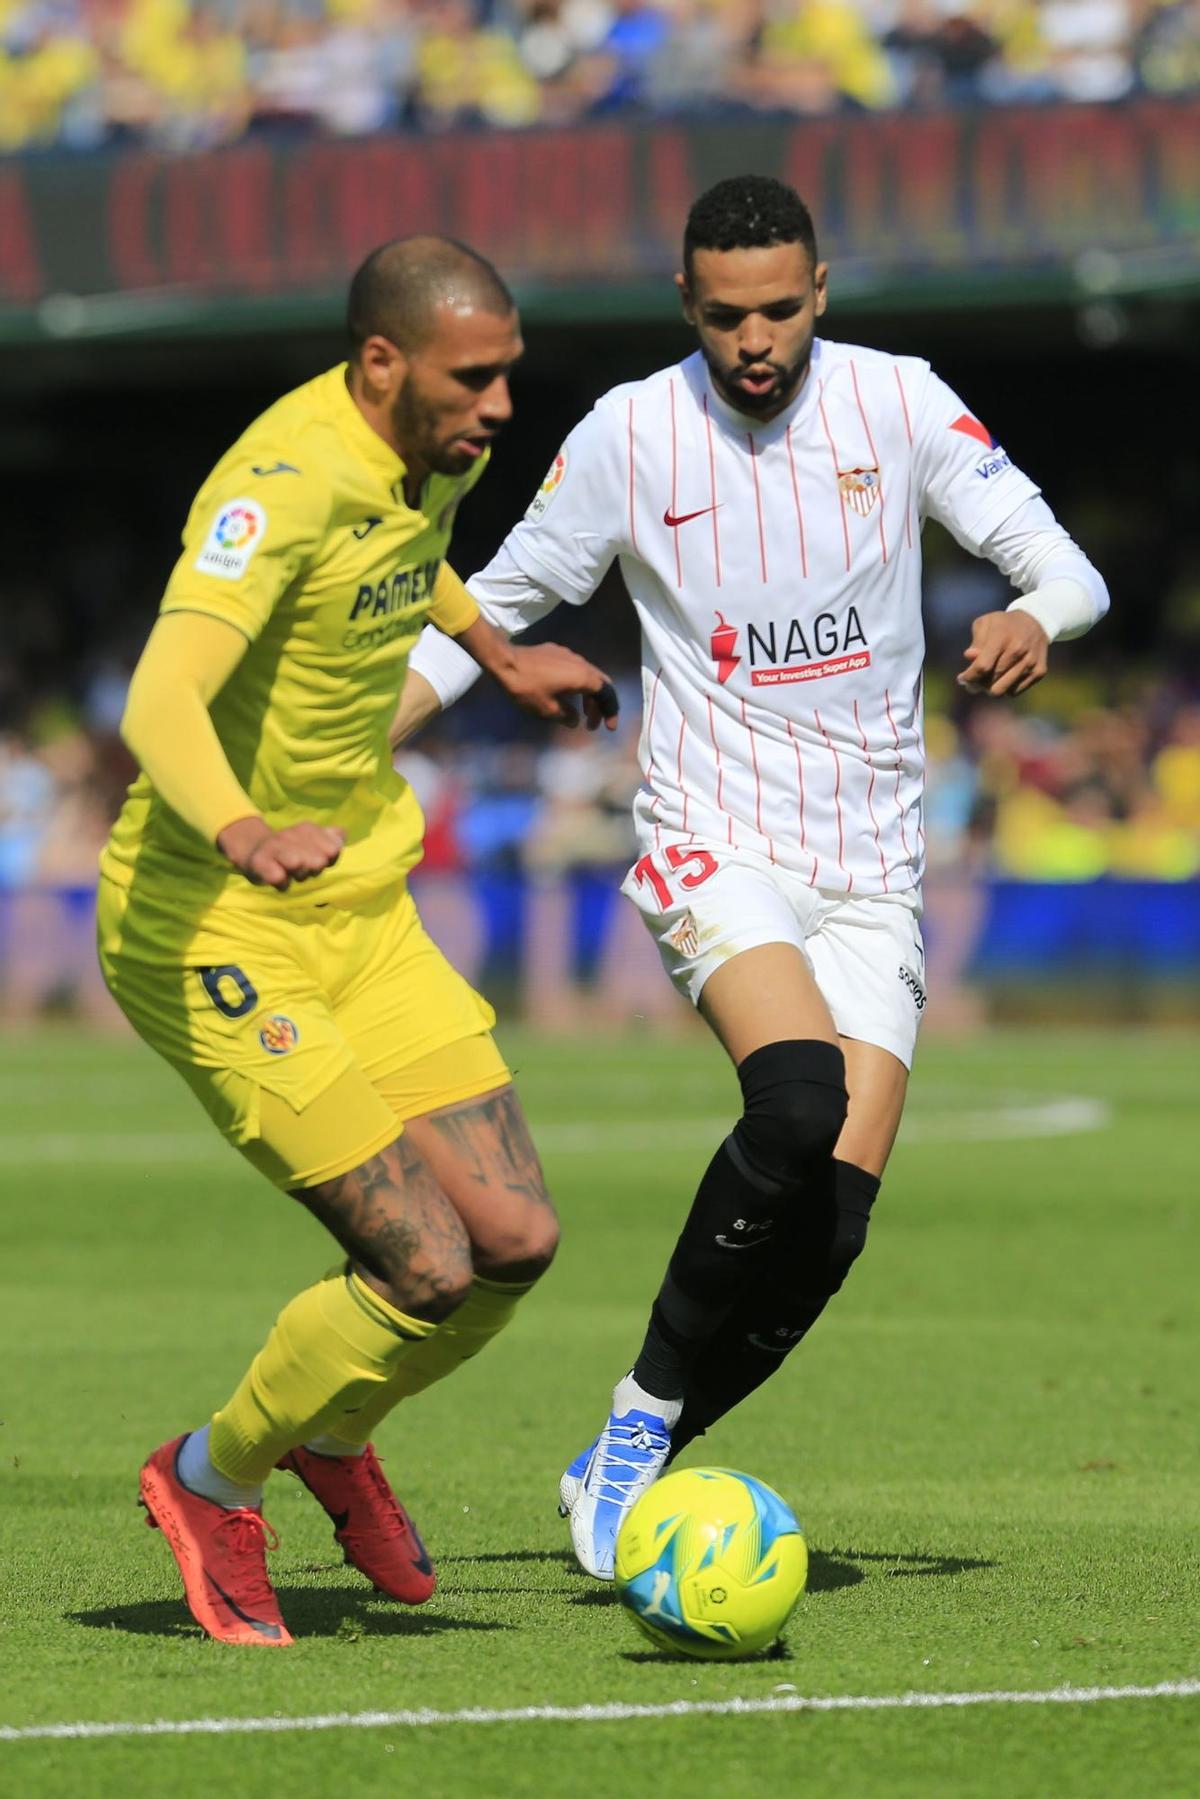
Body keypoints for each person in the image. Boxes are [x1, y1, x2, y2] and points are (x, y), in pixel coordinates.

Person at [395, 178, 1110, 1578]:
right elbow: (505, 599)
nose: (756, 338)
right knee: (797, 1098)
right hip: (714, 834)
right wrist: (348, 746)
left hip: (872, 864)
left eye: (780, 308)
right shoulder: (630, 432)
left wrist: (1031, 612)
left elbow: (1067, 569)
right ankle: (645, 1412)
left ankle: (638, 1434)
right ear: (688, 310)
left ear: (821, 291)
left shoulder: (900, 403)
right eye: (726, 316)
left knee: (830, 1227)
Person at [97, 235, 617, 1644]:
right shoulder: (277, 483)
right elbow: (159, 700)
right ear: (382, 362)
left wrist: (498, 652)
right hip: (211, 923)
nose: (500, 404)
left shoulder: (433, 451)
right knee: (423, 1266)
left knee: (512, 1238)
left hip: (359, 905)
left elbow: (414, 561)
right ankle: (207, 1481)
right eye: (474, 377)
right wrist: (240, 831)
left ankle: (331, 1438)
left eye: (507, 374)